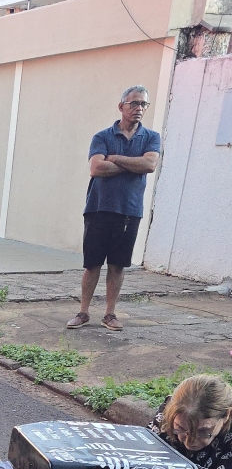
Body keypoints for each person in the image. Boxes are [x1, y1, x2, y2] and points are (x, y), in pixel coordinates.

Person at [67, 85, 161, 333]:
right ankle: (83, 311)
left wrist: (115, 158)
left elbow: (150, 165)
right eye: (134, 103)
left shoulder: (151, 137)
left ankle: (110, 314)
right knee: (92, 264)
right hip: (98, 208)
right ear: (121, 106)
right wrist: (133, 164)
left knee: (118, 265)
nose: (138, 108)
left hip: (129, 211)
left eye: (143, 104)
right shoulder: (102, 137)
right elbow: (96, 169)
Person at [149, 374, 232, 469]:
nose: (190, 442)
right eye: (180, 428)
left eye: (202, 432)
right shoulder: (166, 415)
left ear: (226, 415)